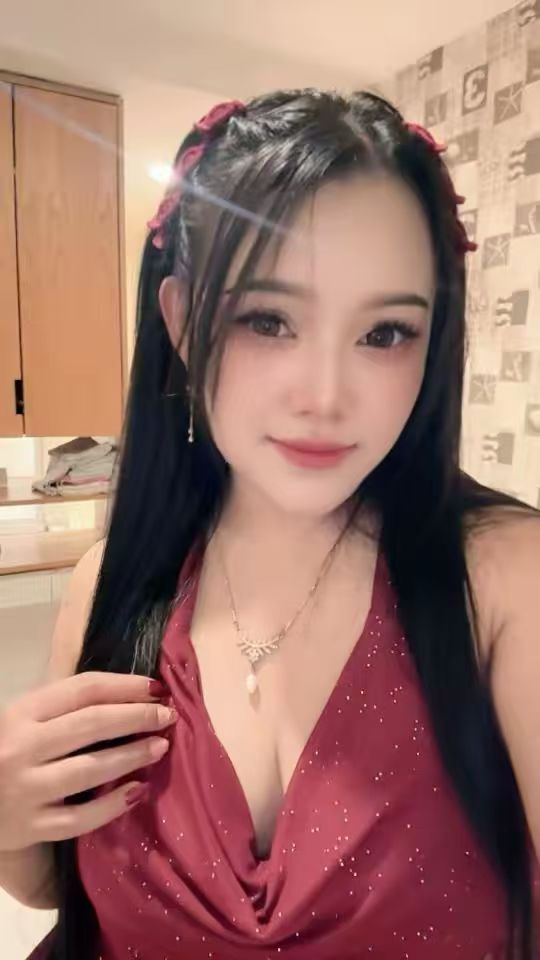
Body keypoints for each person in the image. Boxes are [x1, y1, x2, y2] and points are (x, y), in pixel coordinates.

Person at [0, 89, 538, 960]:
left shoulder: (505, 582)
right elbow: (62, 891)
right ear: (181, 321)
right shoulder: (113, 586)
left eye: (385, 333)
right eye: (267, 319)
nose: (324, 396)